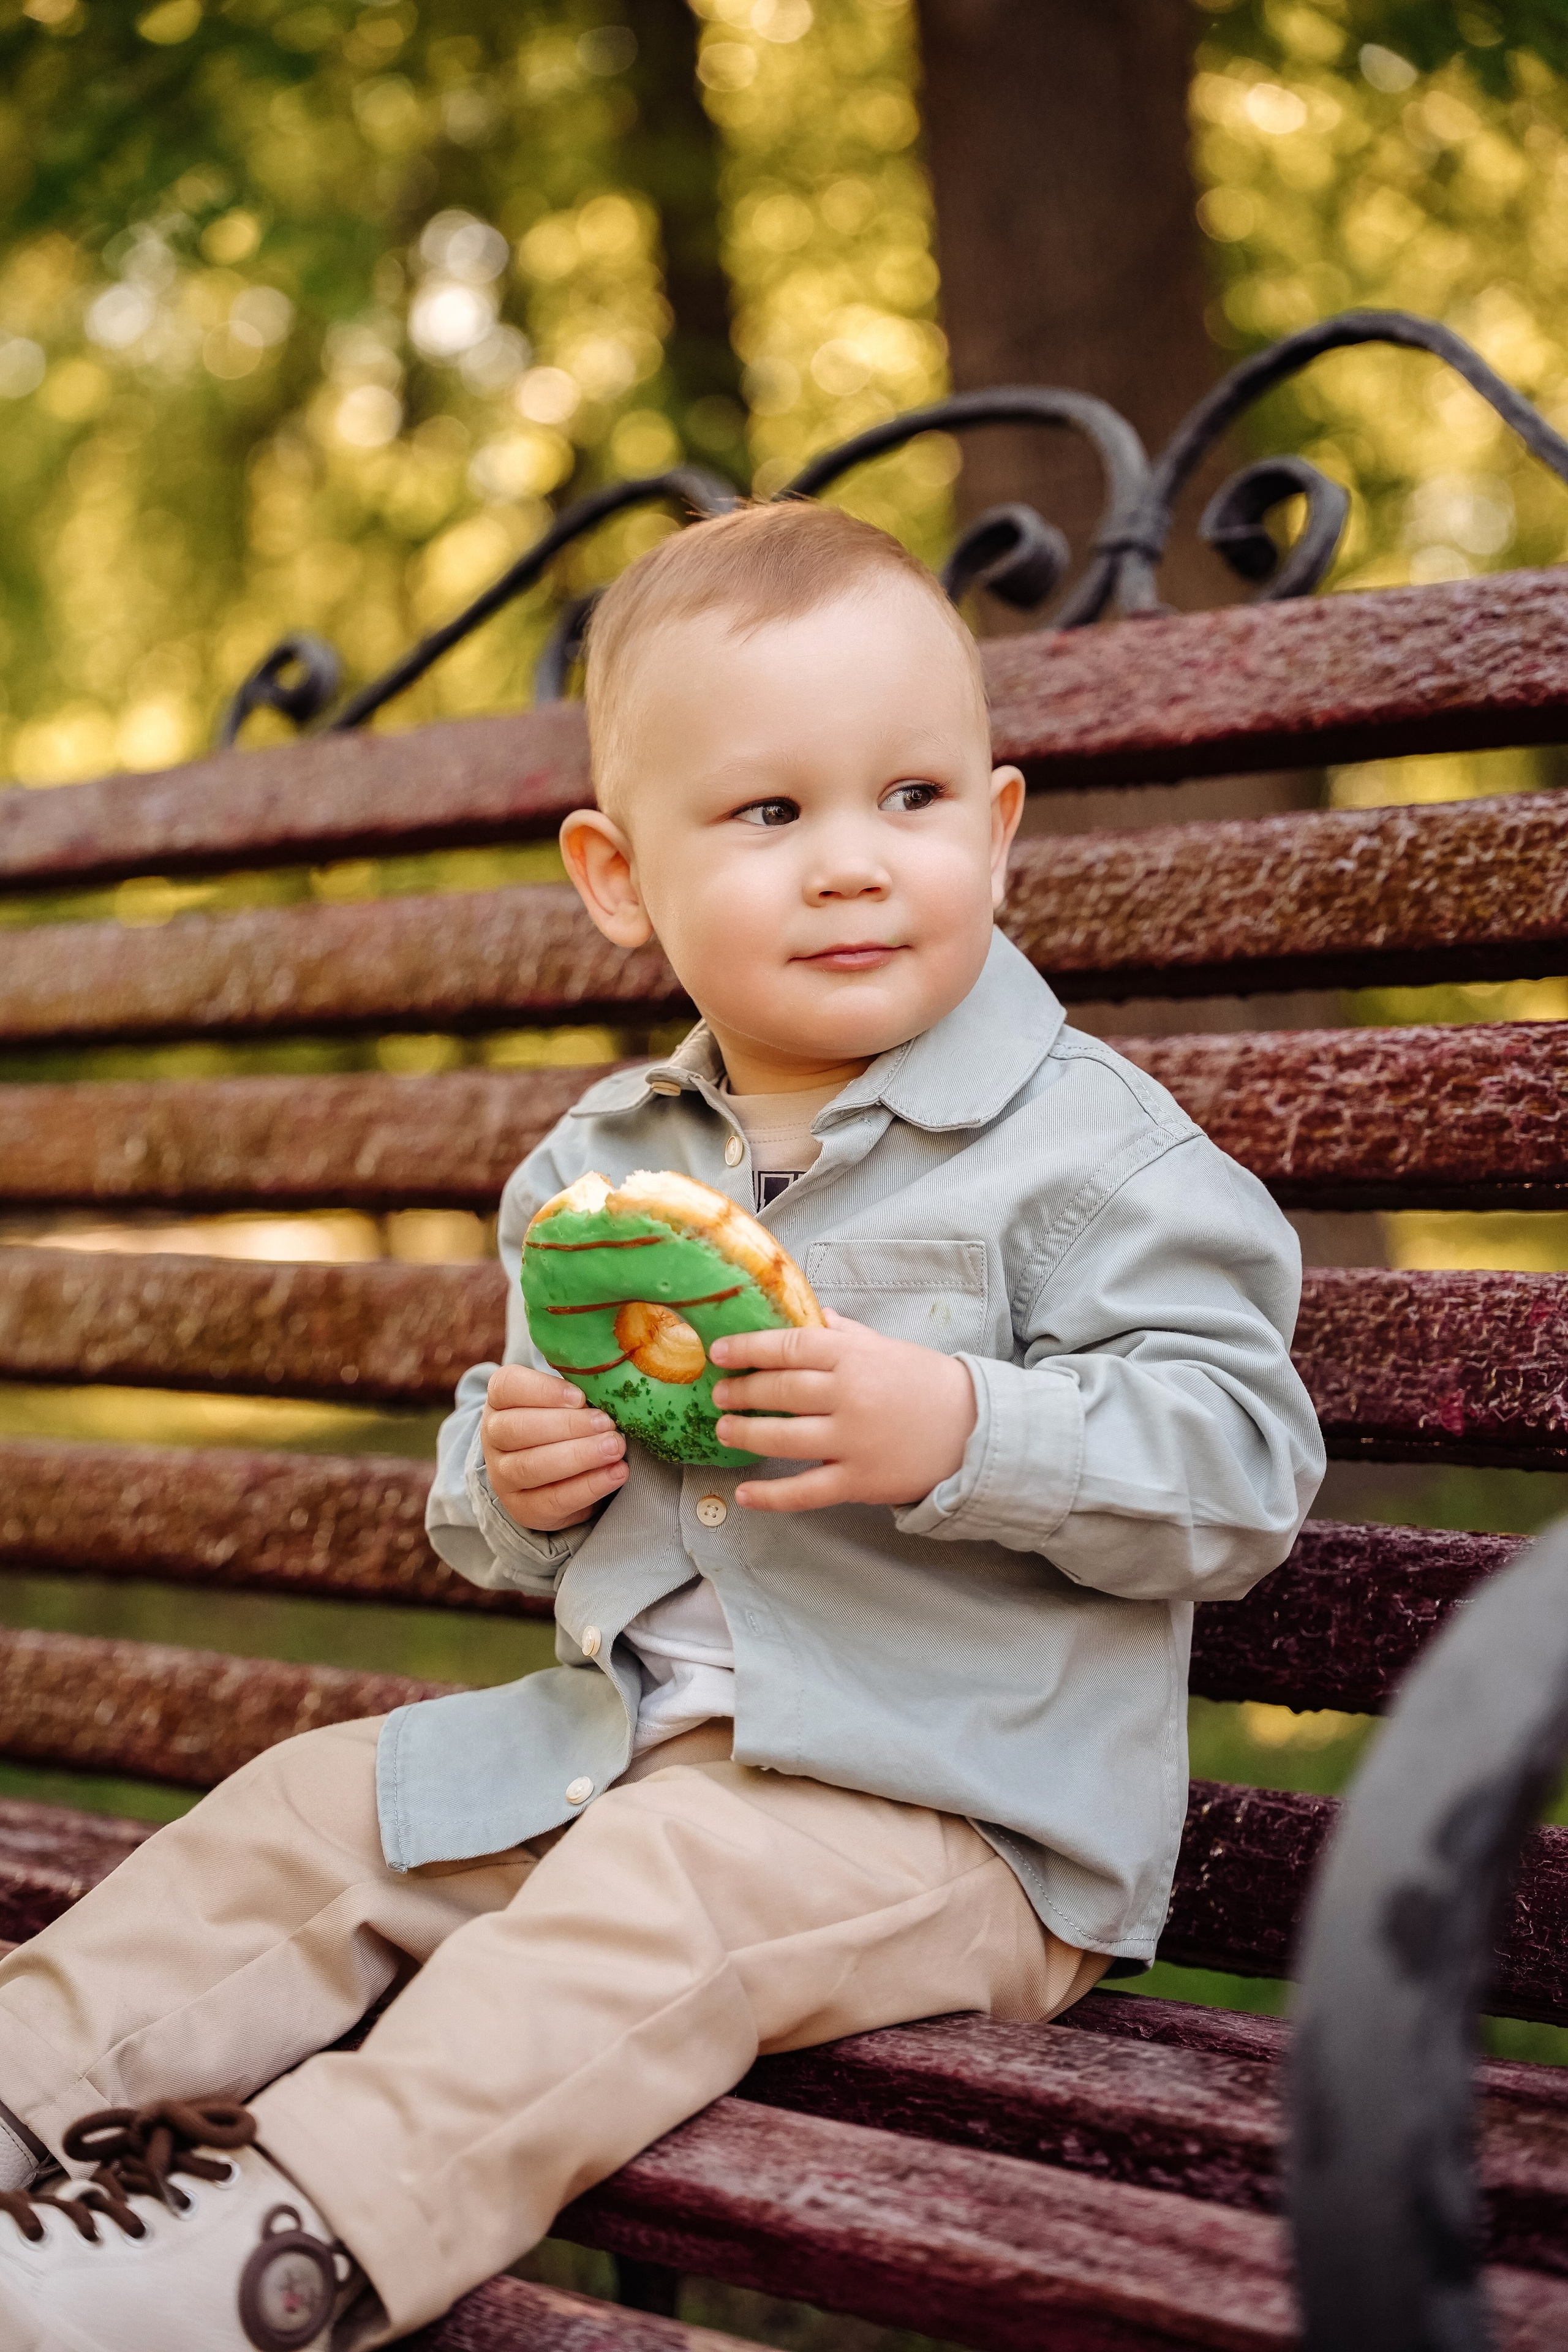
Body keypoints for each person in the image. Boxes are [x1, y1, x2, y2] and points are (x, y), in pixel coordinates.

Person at [0, 502, 1325, 2350]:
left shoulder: (1092, 1156)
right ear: (621, 878)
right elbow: (508, 1464)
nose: (855, 866)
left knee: (658, 1894)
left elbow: (1243, 1472)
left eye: (912, 800)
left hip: (957, 1829)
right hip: (617, 1750)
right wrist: (518, 1472)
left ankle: (274, 2251)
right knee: (320, 1805)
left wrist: (956, 1425)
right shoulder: (600, 1169)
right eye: (773, 816)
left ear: (999, 832)